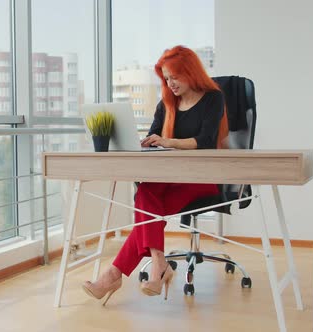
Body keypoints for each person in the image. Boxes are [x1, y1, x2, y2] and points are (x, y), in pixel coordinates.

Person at [81, 45, 229, 305]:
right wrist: (147, 143)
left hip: (203, 178)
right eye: (166, 78)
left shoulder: (213, 98)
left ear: (190, 71)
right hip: (170, 177)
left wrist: (169, 141)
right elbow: (154, 137)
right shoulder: (166, 103)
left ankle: (115, 274)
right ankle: (158, 263)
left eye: (175, 76)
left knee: (145, 204)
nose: (170, 83)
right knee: (147, 194)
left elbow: (205, 141)